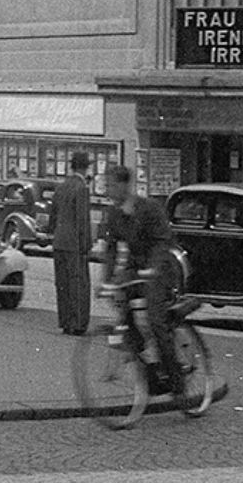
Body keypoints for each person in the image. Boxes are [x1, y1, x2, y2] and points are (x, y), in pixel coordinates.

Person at [100, 164, 187, 407]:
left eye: (111, 185)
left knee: (155, 320)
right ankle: (146, 362)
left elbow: (163, 242)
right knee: (122, 307)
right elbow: (111, 248)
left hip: (161, 268)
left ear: (124, 186)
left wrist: (153, 269)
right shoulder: (114, 214)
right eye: (106, 185)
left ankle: (177, 382)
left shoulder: (149, 208)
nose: (108, 190)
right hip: (136, 268)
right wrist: (107, 281)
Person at [50, 149, 93, 334]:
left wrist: (53, 233)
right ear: (85, 167)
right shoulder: (82, 188)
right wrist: (87, 245)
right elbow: (82, 220)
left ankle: (65, 322)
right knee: (78, 286)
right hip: (75, 244)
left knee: (63, 285)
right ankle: (78, 324)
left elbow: (53, 216)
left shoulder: (61, 187)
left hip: (59, 242)